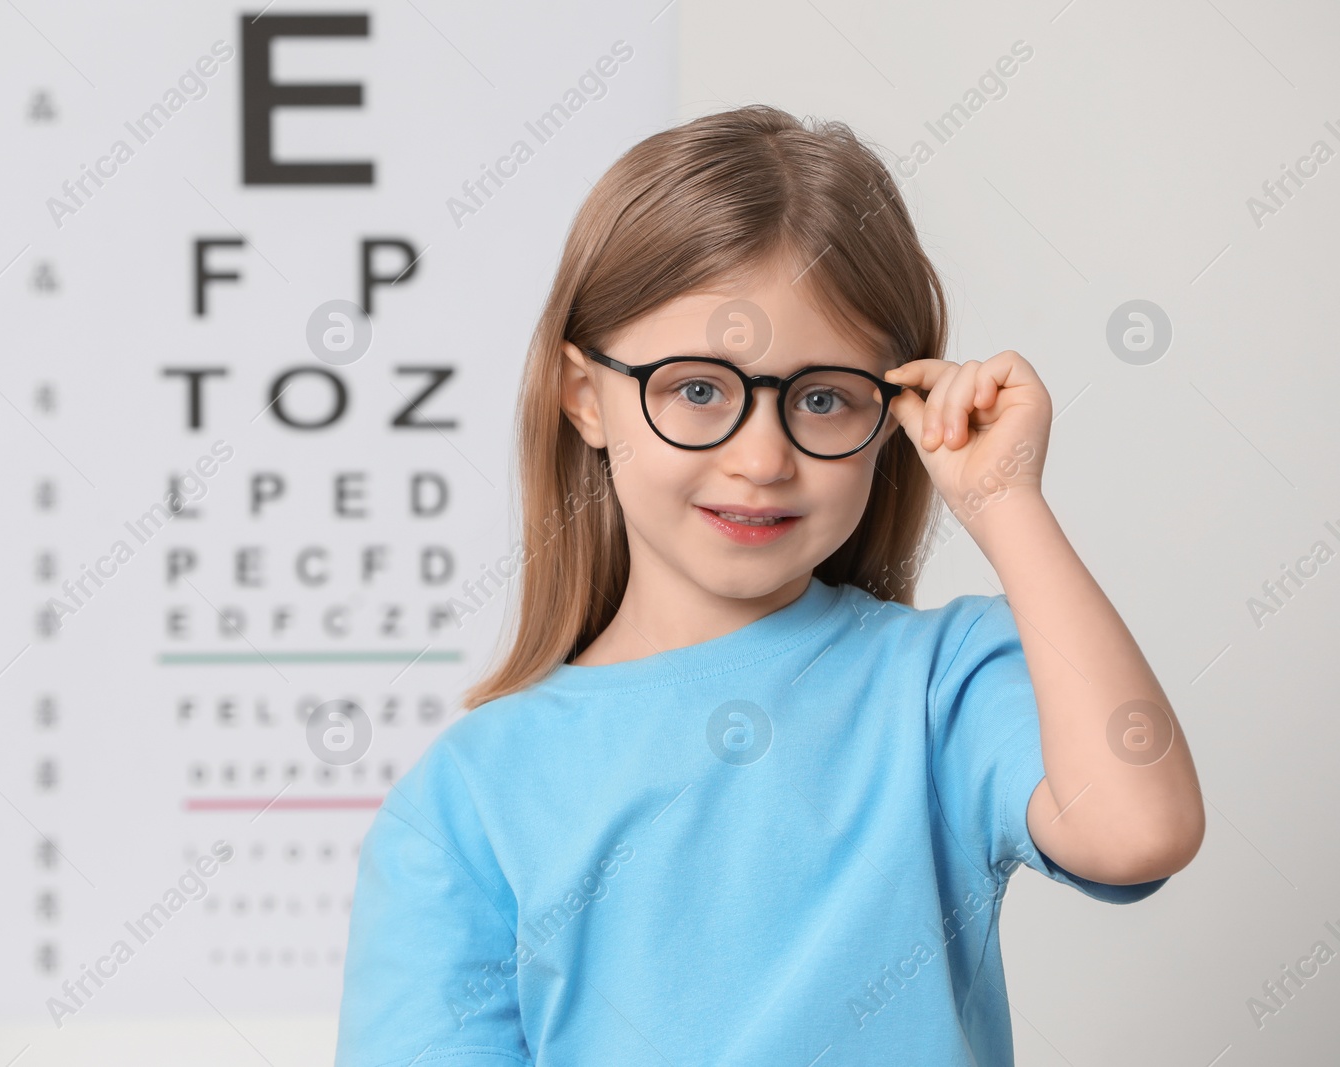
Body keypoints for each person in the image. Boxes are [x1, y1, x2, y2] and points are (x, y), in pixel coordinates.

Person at [333, 104, 1205, 1066]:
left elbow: (1138, 831)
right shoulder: (468, 800)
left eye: (824, 397)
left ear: (893, 416)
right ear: (584, 397)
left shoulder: (942, 683)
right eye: (697, 388)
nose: (761, 458)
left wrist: (1006, 504)